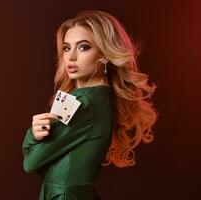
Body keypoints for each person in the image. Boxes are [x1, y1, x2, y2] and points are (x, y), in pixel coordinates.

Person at [22, 10, 158, 200]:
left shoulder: (81, 103)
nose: (71, 57)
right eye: (67, 48)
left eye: (84, 47)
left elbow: (32, 163)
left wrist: (31, 136)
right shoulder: (100, 98)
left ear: (104, 55)